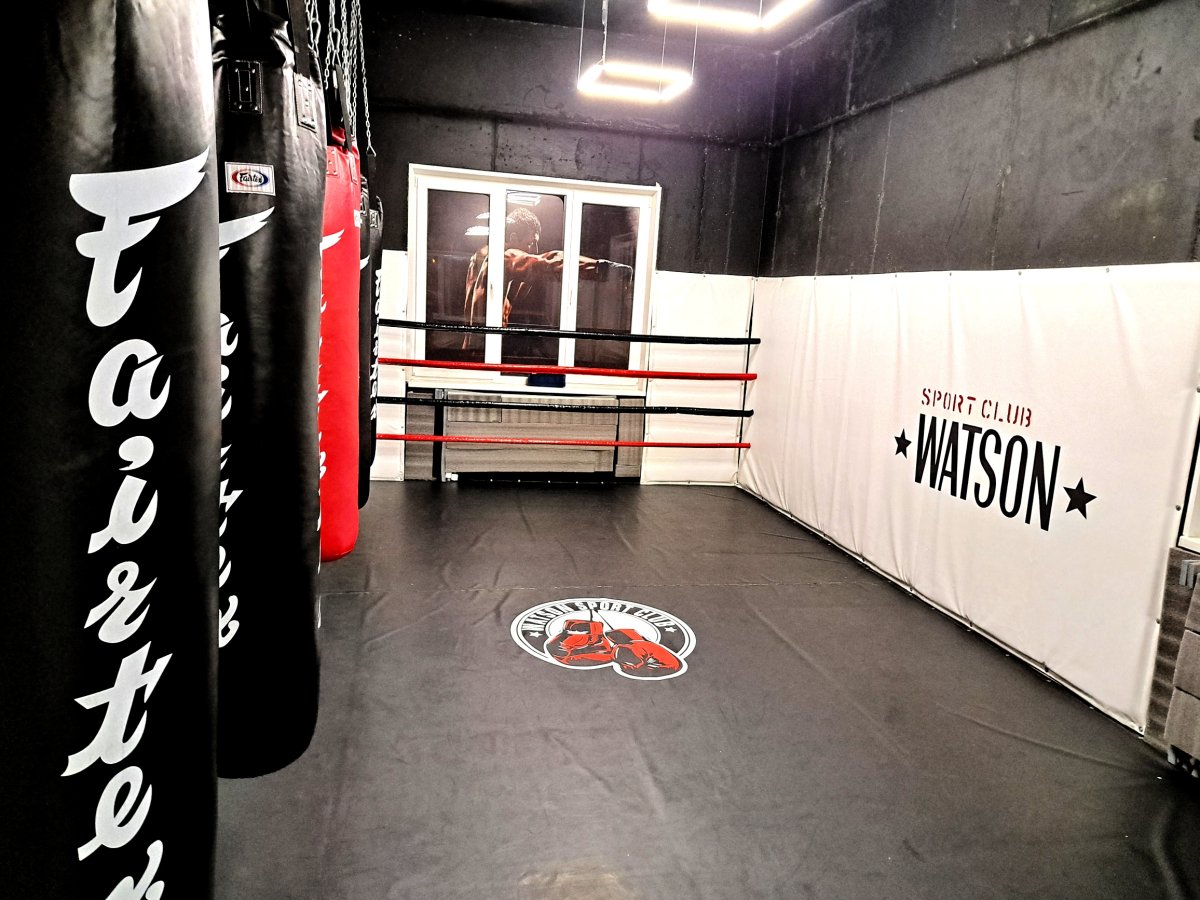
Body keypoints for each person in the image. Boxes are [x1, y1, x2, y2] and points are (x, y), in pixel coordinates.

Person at [461, 208, 630, 350]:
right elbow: (548, 260)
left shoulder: (481, 259)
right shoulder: (505, 257)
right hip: (484, 349)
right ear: (513, 238)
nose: (534, 249)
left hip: (472, 347)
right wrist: (605, 269)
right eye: (531, 243)